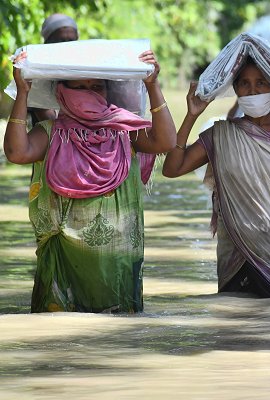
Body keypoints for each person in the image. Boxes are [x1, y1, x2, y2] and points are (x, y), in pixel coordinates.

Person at [4, 48, 177, 313]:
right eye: (79, 87)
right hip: (63, 259)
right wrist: (23, 94)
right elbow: (17, 152)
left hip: (115, 263)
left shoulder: (124, 132)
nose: (88, 93)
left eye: (97, 86)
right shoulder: (50, 134)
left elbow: (165, 141)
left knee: (118, 331)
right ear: (60, 92)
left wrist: (153, 86)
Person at [162, 57, 270, 298]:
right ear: (235, 90)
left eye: (261, 83)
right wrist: (191, 116)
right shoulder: (220, 134)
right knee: (230, 313)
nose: (253, 90)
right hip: (234, 246)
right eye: (244, 84)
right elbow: (172, 169)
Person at [29, 14, 80, 124]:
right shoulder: (38, 73)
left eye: (71, 41)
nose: (66, 46)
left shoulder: (84, 70)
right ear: (47, 43)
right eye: (61, 41)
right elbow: (47, 117)